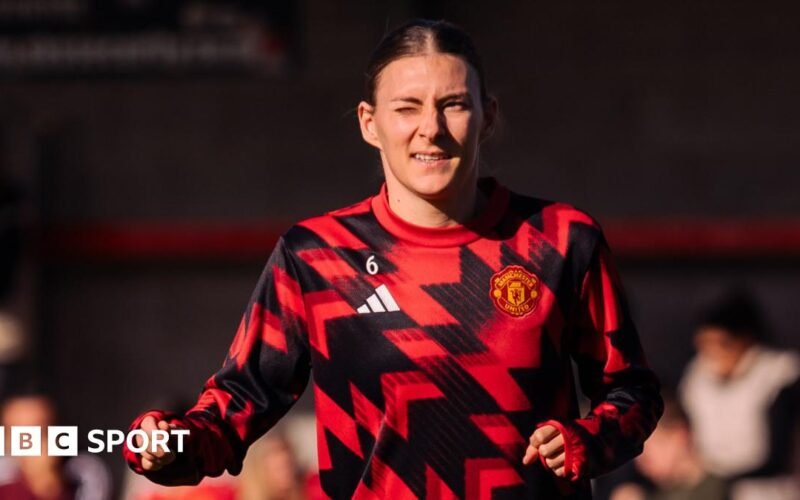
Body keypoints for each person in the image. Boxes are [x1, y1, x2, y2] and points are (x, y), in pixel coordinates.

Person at [124, 19, 663, 498]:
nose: (431, 127)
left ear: (487, 116)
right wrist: (169, 444)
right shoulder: (315, 257)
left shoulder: (561, 241)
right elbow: (239, 402)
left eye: (453, 104)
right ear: (368, 122)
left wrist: (590, 439)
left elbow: (632, 391)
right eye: (407, 107)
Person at [679, 291, 800, 500]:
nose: (712, 353)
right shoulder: (697, 377)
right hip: (712, 491)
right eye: (705, 344)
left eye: (722, 343)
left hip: (768, 492)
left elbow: (779, 455)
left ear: (745, 339)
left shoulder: (780, 374)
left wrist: (726, 479)